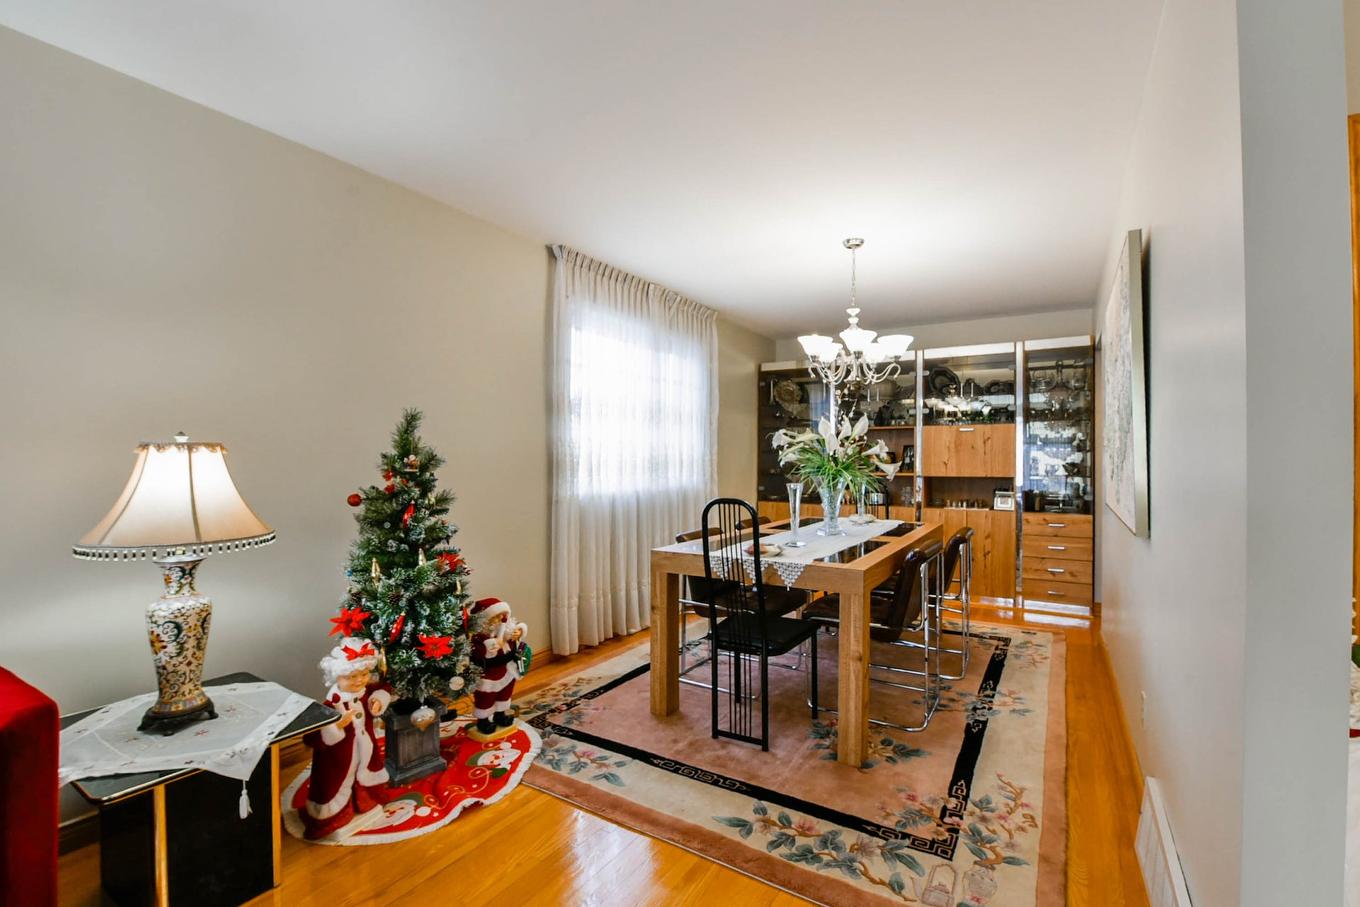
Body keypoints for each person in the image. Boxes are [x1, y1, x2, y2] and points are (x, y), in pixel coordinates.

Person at [300, 637, 392, 839]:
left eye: (364, 674)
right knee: (336, 787)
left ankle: (363, 802)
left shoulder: (366, 692)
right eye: (351, 677)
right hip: (337, 761)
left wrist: (378, 701)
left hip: (364, 753)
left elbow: (384, 689)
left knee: (364, 776)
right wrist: (335, 726)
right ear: (337, 677)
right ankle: (332, 819)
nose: (359, 680)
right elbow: (310, 739)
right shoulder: (330, 704)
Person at [467, 598, 528, 740]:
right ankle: (483, 720)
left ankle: (500, 714)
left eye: (502, 616)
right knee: (486, 698)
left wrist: (519, 632)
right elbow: (481, 654)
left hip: (508, 671)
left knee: (504, 694)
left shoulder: (507, 630)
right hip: (490, 675)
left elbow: (518, 628)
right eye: (495, 618)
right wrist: (493, 646)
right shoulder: (480, 638)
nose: (500, 620)